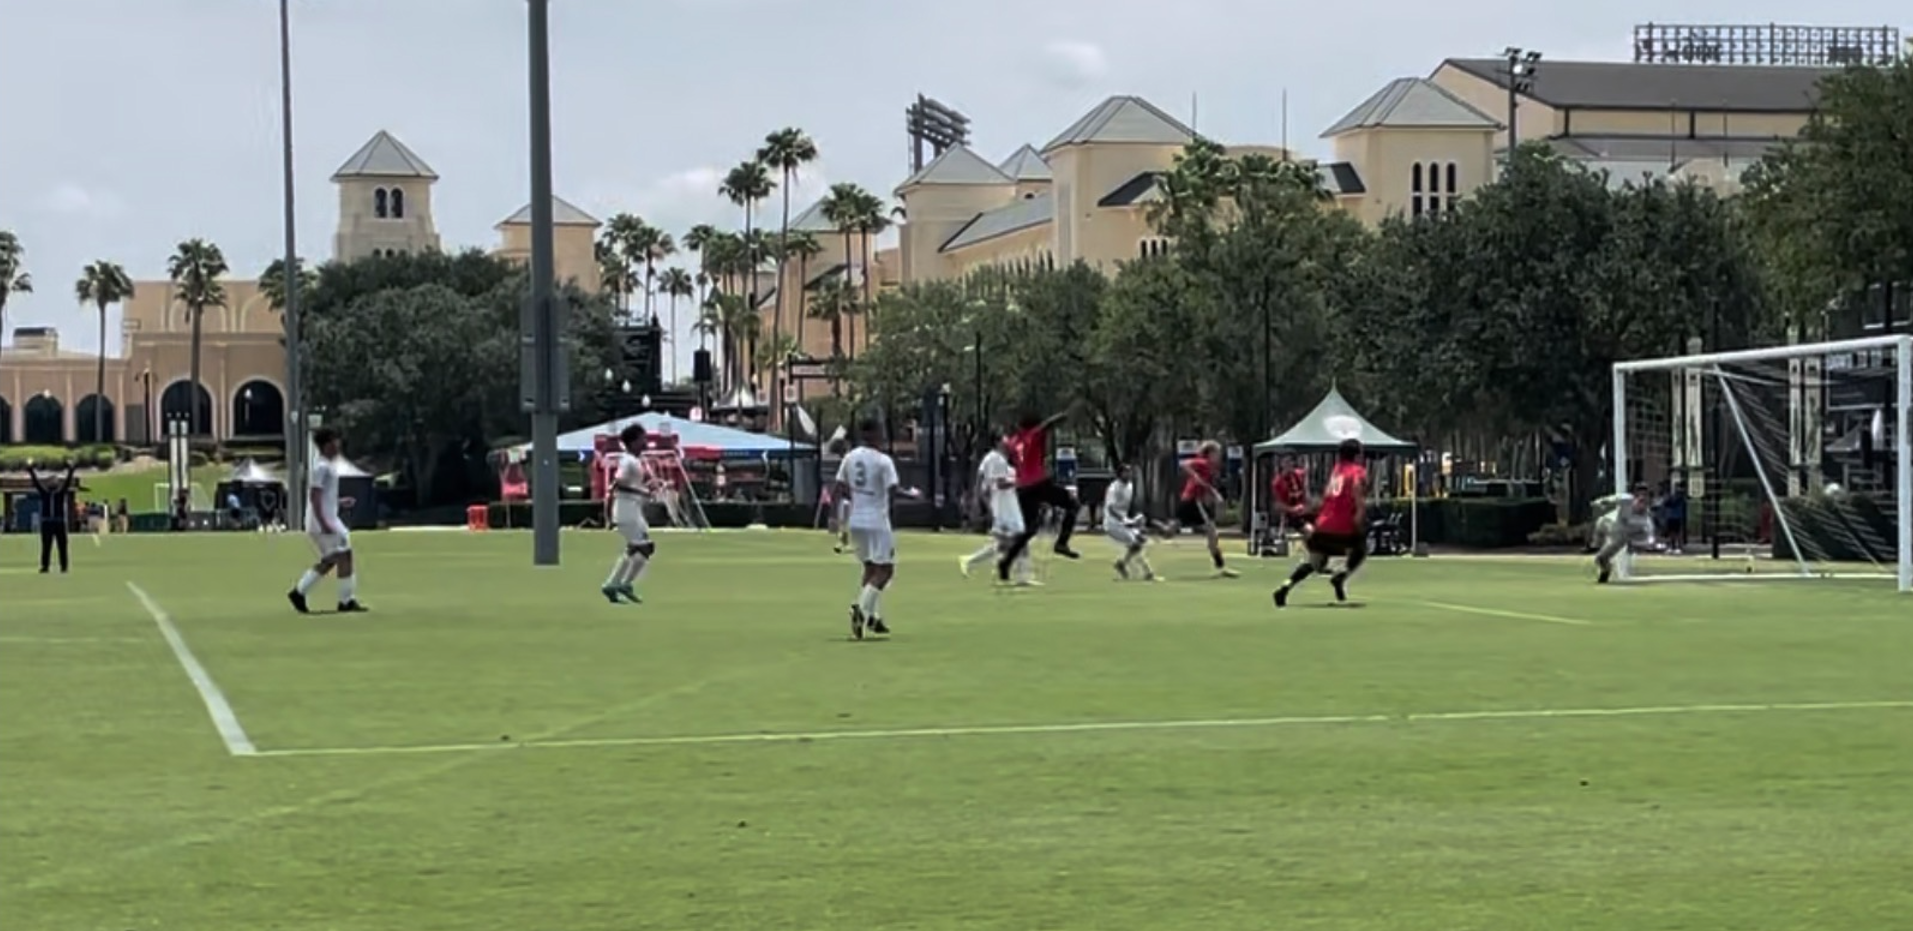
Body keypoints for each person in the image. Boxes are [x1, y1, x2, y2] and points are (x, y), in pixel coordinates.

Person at [834, 419, 910, 639]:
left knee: (869, 568)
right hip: (877, 520)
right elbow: (893, 489)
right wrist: (908, 496)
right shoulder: (883, 461)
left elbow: (839, 487)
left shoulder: (850, 457)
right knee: (885, 571)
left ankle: (872, 617)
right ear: (876, 434)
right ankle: (860, 608)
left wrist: (836, 518)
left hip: (856, 519)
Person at [1274, 438, 1368, 607]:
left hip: (1322, 526)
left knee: (1316, 561)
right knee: (1360, 548)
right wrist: (1359, 516)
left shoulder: (1336, 471)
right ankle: (1341, 576)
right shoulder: (1357, 471)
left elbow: (1328, 498)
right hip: (1342, 527)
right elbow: (1356, 492)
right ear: (1357, 455)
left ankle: (1285, 586)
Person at [287, 427, 366, 614]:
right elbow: (314, 497)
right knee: (344, 555)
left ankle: (300, 592)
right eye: (334, 441)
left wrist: (339, 501)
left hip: (327, 519)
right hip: (324, 521)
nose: (338, 445)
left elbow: (322, 497)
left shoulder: (326, 466)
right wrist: (323, 523)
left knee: (332, 559)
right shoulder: (321, 467)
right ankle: (345, 601)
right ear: (327, 445)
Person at [996, 410, 1081, 582]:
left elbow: (1011, 455)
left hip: (1022, 487)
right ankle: (1061, 543)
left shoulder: (1014, 442)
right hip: (1038, 483)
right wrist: (1062, 415)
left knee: (1030, 529)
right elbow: (1047, 425)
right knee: (1072, 504)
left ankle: (1005, 563)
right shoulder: (1034, 434)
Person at [960, 435, 1034, 583]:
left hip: (1004, 504)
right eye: (1006, 440)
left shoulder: (991, 458)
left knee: (1003, 544)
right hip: (1005, 506)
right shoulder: (997, 460)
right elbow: (999, 484)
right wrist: (1019, 481)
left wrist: (979, 499)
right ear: (998, 442)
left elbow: (981, 478)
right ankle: (1022, 577)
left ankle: (970, 560)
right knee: (1018, 539)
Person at [602, 423, 656, 603]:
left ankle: (612, 584)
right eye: (642, 439)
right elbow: (619, 483)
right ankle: (623, 584)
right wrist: (642, 491)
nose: (645, 442)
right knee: (645, 547)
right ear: (633, 442)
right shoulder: (628, 461)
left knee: (634, 548)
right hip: (627, 510)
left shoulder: (634, 460)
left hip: (630, 510)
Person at [1169, 441, 1238, 578]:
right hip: (1192, 500)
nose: (1219, 456)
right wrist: (1195, 476)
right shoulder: (1203, 462)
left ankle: (1146, 533)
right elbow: (1184, 464)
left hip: (1192, 501)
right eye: (1217, 453)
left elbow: (1206, 487)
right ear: (1211, 453)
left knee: (1170, 530)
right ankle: (1220, 567)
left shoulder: (1211, 468)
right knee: (1211, 531)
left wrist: (1213, 495)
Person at [1593, 484, 1656, 584]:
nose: (1642, 503)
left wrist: (1635, 544)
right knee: (1599, 522)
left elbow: (1648, 539)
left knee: (1601, 559)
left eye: (1645, 501)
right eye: (1640, 498)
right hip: (1610, 522)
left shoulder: (1645, 522)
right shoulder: (1626, 500)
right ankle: (1595, 545)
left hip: (1620, 537)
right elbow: (1613, 499)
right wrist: (1602, 501)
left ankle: (1606, 570)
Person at [1102, 463, 1155, 581]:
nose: (1129, 474)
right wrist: (1125, 521)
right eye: (1126, 472)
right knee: (1135, 543)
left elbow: (1128, 506)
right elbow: (1111, 509)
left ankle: (1122, 564)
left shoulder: (1130, 486)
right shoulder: (1113, 488)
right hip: (1112, 523)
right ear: (1119, 474)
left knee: (1138, 543)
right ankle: (1148, 573)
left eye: (1130, 472)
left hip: (1124, 522)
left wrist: (1136, 519)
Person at [26, 459, 78, 574]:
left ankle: (64, 566)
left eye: (55, 481)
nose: (53, 483)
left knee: (62, 545)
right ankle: (45, 566)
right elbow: (36, 483)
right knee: (46, 546)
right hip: (47, 522)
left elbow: (67, 483)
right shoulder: (44, 494)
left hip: (59, 522)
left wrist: (71, 470)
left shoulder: (60, 494)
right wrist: (31, 471)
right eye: (51, 481)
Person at [1660, 482, 1688, 555]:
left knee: (1677, 532)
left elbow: (1670, 503)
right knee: (1671, 533)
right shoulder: (1672, 496)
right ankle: (1672, 546)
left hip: (1677, 516)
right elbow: (1666, 503)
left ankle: (1678, 547)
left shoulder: (1680, 496)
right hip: (1671, 516)